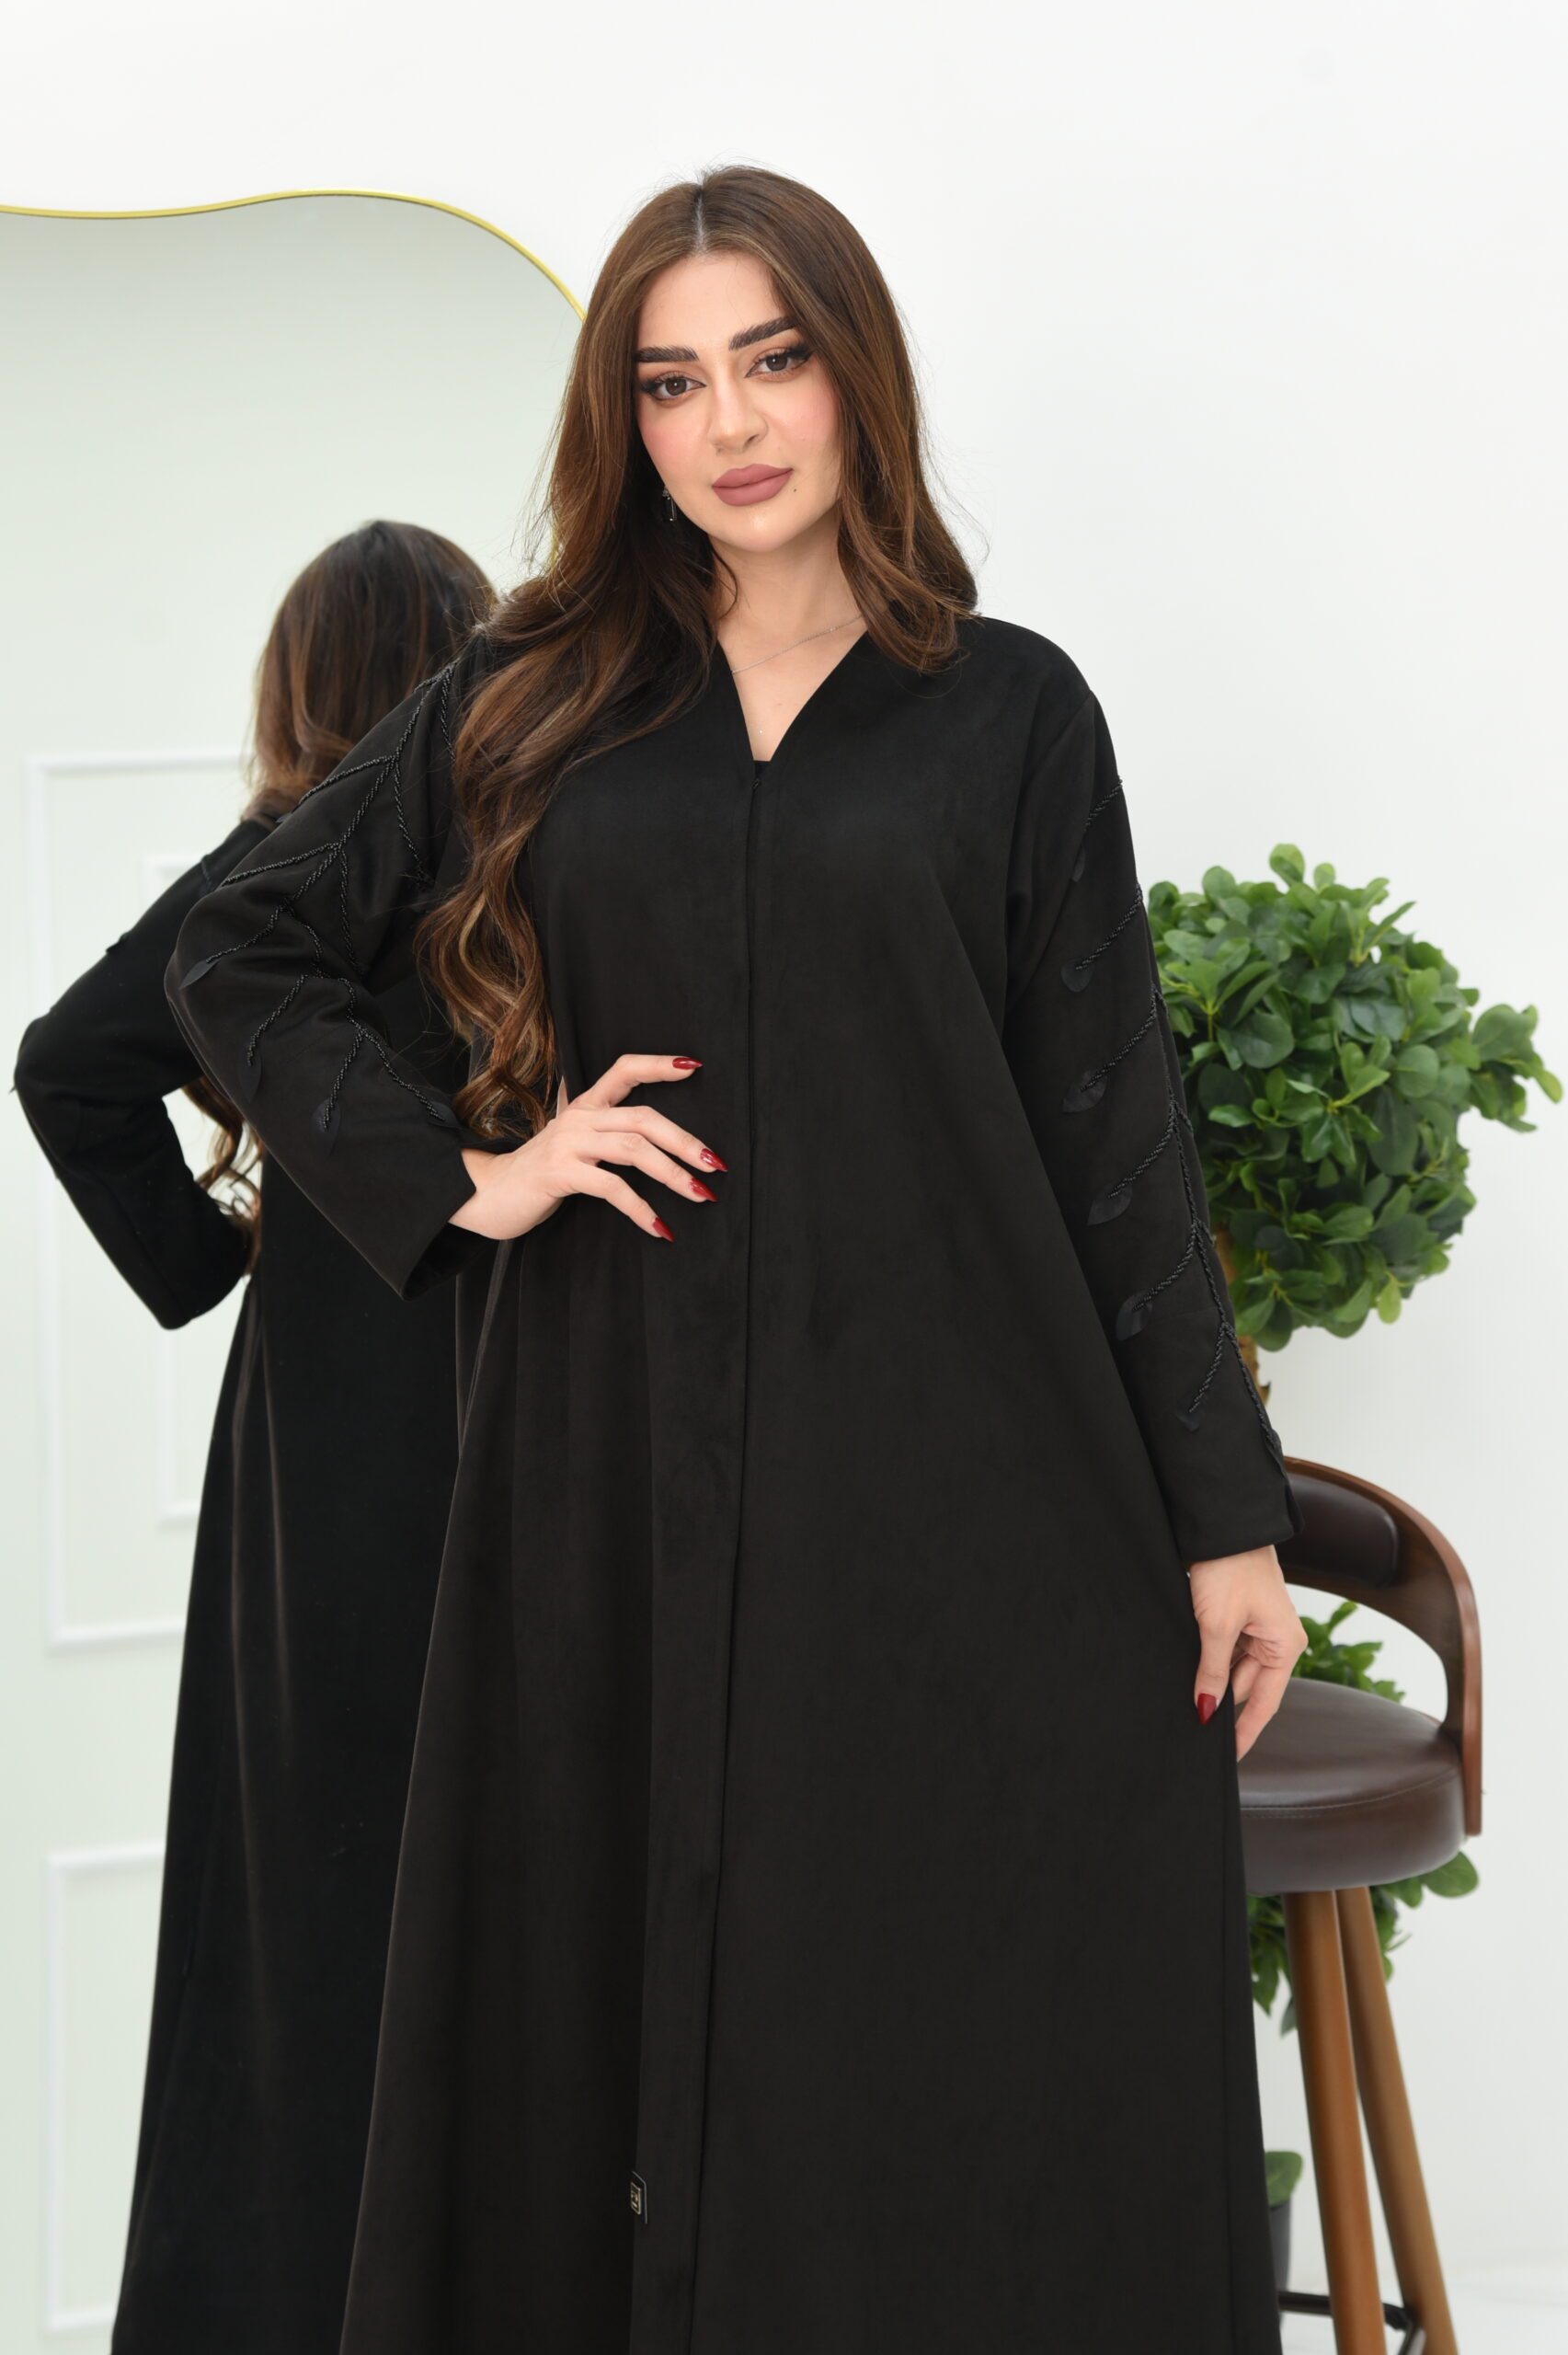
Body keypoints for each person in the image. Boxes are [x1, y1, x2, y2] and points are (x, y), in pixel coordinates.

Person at [166, 168, 1308, 2354]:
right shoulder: (541, 693)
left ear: (854, 372)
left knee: (949, 1987)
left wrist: (1221, 1514)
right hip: (618, 1450)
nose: (731, 424)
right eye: (672, 381)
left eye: (772, 360)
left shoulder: (1010, 715)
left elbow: (1112, 1132)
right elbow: (242, 947)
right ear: (629, 420)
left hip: (971, 1467)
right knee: (621, 1983)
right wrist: (464, 1172)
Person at [14, 521, 495, 2355]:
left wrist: (213, 1261)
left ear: (299, 691)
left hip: (325, 1421)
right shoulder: (529, 862)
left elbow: (71, 1064)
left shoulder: (284, 861)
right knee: (510, 1877)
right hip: (516, 1378)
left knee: (306, 1890)